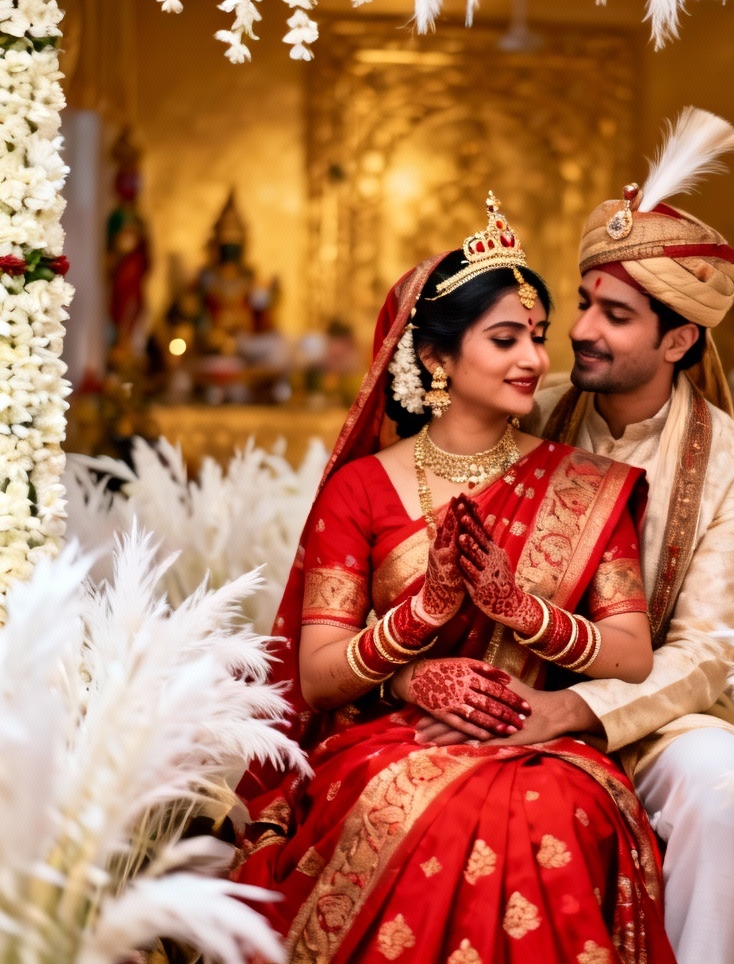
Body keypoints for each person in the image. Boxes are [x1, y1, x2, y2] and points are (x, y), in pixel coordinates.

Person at [231, 194, 677, 964]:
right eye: (506, 339)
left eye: (537, 337)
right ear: (435, 358)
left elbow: (633, 653)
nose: (535, 360)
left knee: (559, 816)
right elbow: (318, 675)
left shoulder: (582, 482)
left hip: (538, 740)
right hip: (388, 741)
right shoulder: (361, 491)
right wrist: (418, 633)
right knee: (413, 814)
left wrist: (520, 610)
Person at [399, 111, 734, 964]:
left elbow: (706, 655)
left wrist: (569, 711)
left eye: (615, 315)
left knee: (727, 789)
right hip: (506, 683)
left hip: (652, 720)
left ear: (679, 339)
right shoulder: (528, 408)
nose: (579, 331)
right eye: (583, 303)